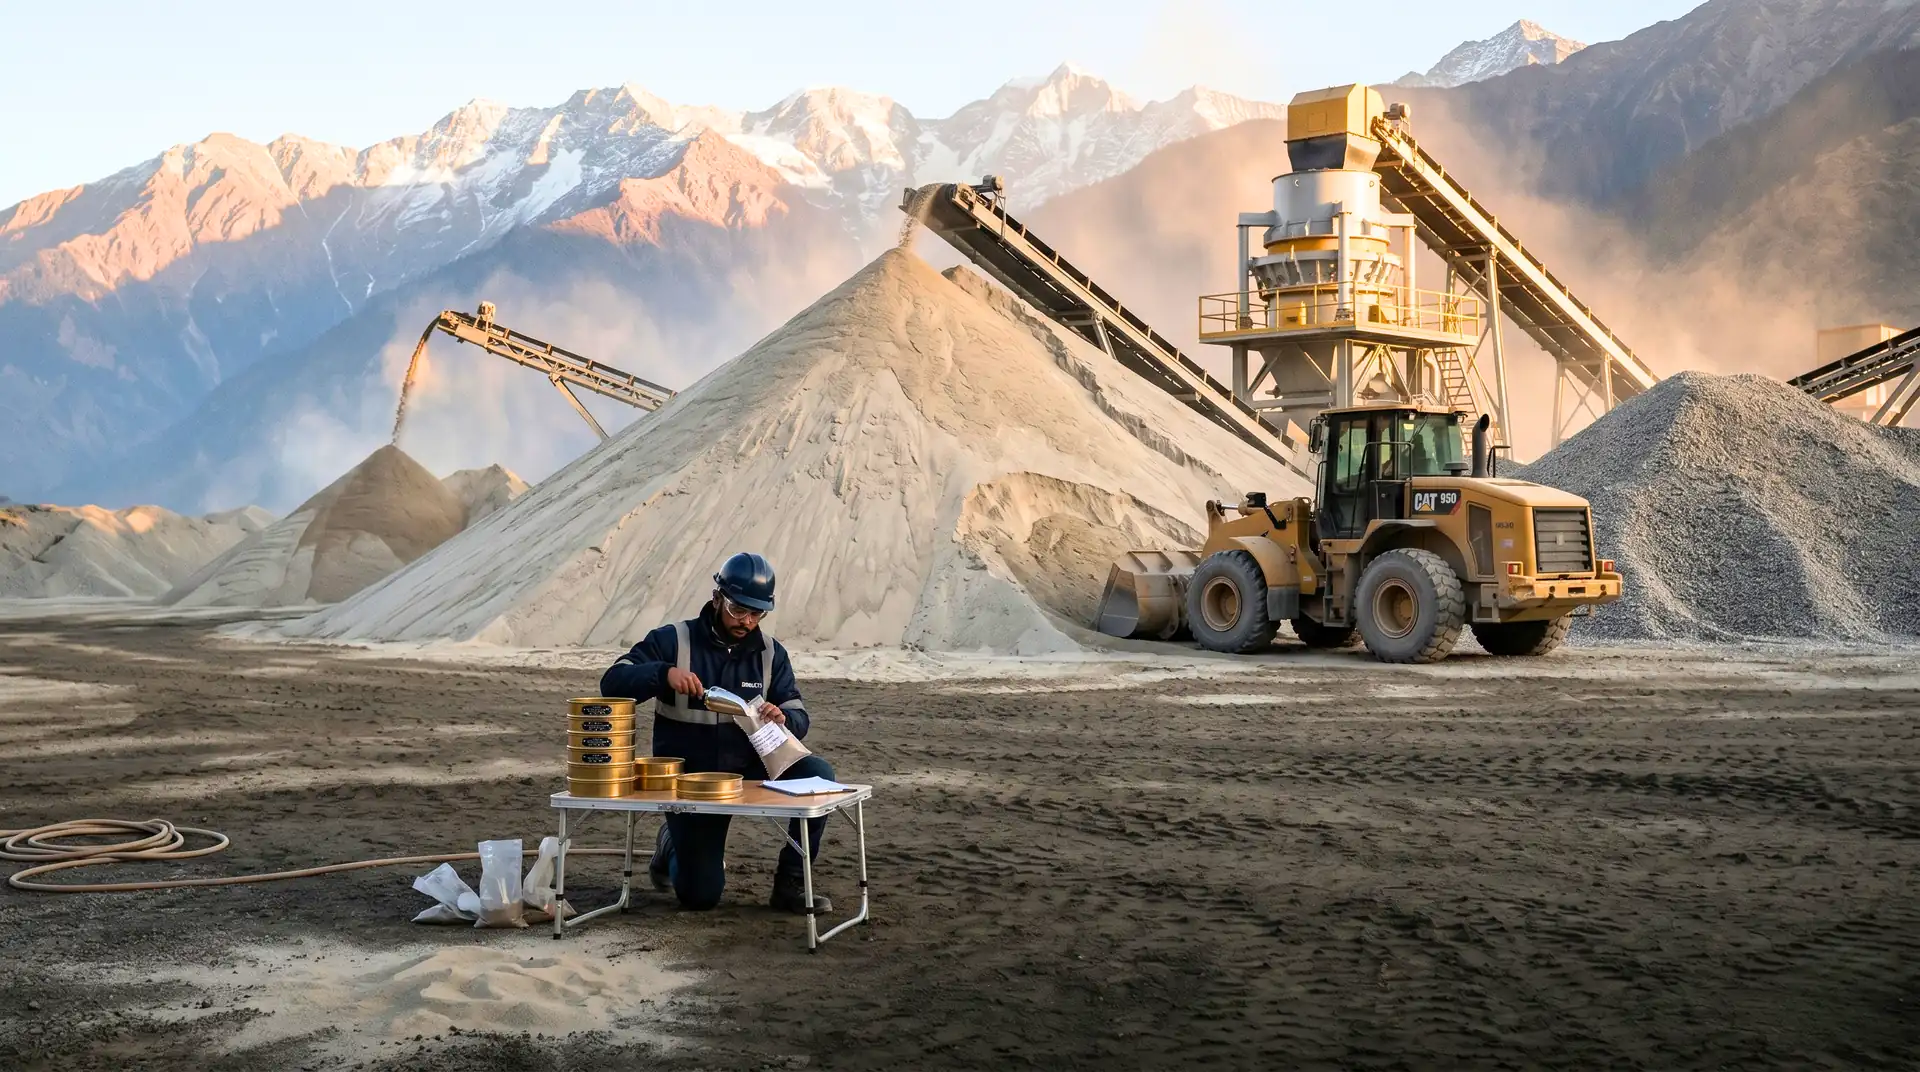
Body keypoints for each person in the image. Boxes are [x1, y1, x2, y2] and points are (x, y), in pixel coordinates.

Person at [599, 552, 837, 914]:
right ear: (716, 598)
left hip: (749, 766)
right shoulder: (673, 641)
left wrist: (783, 718)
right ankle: (671, 846)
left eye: (756, 614)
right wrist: (662, 674)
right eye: (738, 610)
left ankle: (791, 883)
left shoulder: (771, 653)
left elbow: (797, 711)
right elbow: (612, 683)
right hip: (692, 779)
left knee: (819, 776)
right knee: (700, 897)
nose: (747, 621)